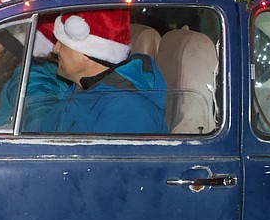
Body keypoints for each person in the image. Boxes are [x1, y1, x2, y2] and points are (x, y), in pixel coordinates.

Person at [31, 9, 168, 134]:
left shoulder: (127, 111)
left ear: (85, 54)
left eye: (62, 43)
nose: (55, 49)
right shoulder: (80, 90)